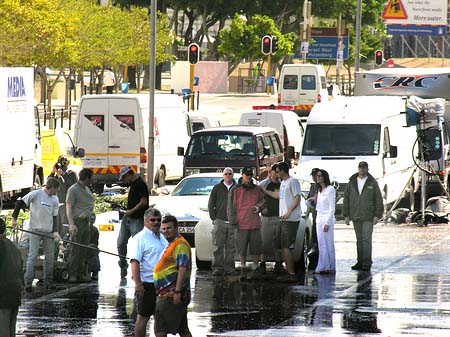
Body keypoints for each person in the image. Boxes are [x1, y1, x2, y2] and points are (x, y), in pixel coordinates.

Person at [12, 177, 61, 290]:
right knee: (32, 256)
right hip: (35, 230)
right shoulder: (36, 194)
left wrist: (55, 231)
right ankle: (28, 282)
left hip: (48, 232)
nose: (56, 192)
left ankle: (48, 281)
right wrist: (14, 218)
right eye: (56, 190)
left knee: (49, 257)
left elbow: (54, 217)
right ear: (52, 188)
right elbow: (19, 203)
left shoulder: (55, 199)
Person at [130, 208, 168, 337]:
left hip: (163, 285)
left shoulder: (162, 237)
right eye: (153, 220)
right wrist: (138, 284)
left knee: (161, 318)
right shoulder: (140, 238)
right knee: (143, 318)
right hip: (148, 284)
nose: (156, 222)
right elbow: (134, 262)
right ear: (145, 221)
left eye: (158, 220)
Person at [153, 215, 192, 337]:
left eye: (168, 228)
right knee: (182, 328)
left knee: (160, 329)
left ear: (176, 228)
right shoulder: (173, 243)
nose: (165, 232)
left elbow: (183, 268)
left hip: (171, 294)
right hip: (168, 293)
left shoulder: (180, 244)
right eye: (163, 229)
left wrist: (177, 291)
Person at [343, 161, 383, 272]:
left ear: (367, 169)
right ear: (358, 169)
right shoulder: (351, 182)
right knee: (359, 240)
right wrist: (346, 215)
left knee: (366, 240)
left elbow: (378, 199)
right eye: (360, 167)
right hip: (355, 215)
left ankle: (366, 262)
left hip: (368, 216)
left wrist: (377, 215)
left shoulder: (372, 182)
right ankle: (360, 261)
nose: (362, 169)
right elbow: (346, 199)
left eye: (364, 167)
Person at [228, 167, 265, 280]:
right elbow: (230, 207)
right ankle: (243, 267)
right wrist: (233, 221)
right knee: (241, 247)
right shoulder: (235, 189)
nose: (249, 177)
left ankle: (255, 267)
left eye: (250, 175)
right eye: (247, 175)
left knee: (255, 247)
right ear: (242, 175)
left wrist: (258, 208)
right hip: (241, 224)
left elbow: (263, 202)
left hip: (254, 223)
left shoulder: (257, 189)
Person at [117, 166, 149, 279]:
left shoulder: (140, 184)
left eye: (124, 178)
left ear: (129, 174)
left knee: (137, 245)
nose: (124, 181)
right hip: (127, 218)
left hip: (137, 219)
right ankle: (123, 264)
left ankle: (138, 269)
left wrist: (131, 211)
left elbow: (143, 202)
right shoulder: (132, 185)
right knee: (121, 243)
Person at [66, 168, 95, 282]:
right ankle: (72, 274)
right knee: (75, 249)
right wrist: (71, 224)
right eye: (91, 178)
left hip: (86, 222)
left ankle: (80, 273)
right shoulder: (73, 190)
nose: (92, 181)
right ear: (87, 178)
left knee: (84, 249)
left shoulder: (87, 189)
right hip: (77, 221)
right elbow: (68, 207)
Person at [208, 167, 237, 276]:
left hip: (233, 222)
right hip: (220, 221)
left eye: (230, 174)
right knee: (217, 246)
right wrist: (214, 219)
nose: (228, 176)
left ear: (233, 175)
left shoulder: (237, 188)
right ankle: (217, 268)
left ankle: (229, 268)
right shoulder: (217, 188)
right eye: (226, 174)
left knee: (231, 248)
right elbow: (211, 204)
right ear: (223, 175)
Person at [276, 162, 301, 282]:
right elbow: (279, 196)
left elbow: (297, 197)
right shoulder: (283, 183)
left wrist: (289, 211)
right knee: (282, 246)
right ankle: (288, 271)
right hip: (282, 218)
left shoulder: (293, 181)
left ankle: (291, 273)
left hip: (290, 218)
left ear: (282, 171)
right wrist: (264, 191)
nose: (277, 174)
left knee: (287, 246)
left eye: (277, 171)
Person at [0, 218, 23, 337]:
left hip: (3, 293)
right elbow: (21, 269)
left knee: (2, 330)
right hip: (16, 291)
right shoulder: (13, 246)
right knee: (11, 329)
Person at [259, 164, 284, 274]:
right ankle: (262, 263)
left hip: (279, 217)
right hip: (267, 217)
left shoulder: (283, 184)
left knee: (278, 242)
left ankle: (278, 263)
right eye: (276, 172)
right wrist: (262, 208)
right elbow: (257, 198)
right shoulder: (264, 184)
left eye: (279, 172)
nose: (277, 174)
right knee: (264, 242)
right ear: (271, 172)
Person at [314, 169, 336, 274]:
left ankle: (330, 266)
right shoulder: (319, 190)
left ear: (324, 177)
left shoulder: (330, 189)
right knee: (321, 243)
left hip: (327, 219)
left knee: (328, 243)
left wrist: (327, 222)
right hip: (319, 219)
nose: (318, 178)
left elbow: (332, 208)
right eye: (317, 176)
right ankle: (323, 266)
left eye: (320, 176)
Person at [49, 155, 78, 231]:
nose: (62, 165)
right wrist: (53, 172)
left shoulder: (72, 174)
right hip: (58, 202)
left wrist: (59, 177)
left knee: (64, 222)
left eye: (64, 163)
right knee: (56, 222)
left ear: (68, 163)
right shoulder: (58, 175)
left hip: (67, 202)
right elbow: (48, 184)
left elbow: (66, 188)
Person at [305, 168, 320, 271]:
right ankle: (314, 259)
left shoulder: (324, 187)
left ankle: (320, 261)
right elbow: (309, 202)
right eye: (313, 175)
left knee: (321, 240)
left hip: (322, 217)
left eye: (316, 175)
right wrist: (307, 213)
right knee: (314, 238)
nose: (314, 177)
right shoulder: (313, 186)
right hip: (315, 216)